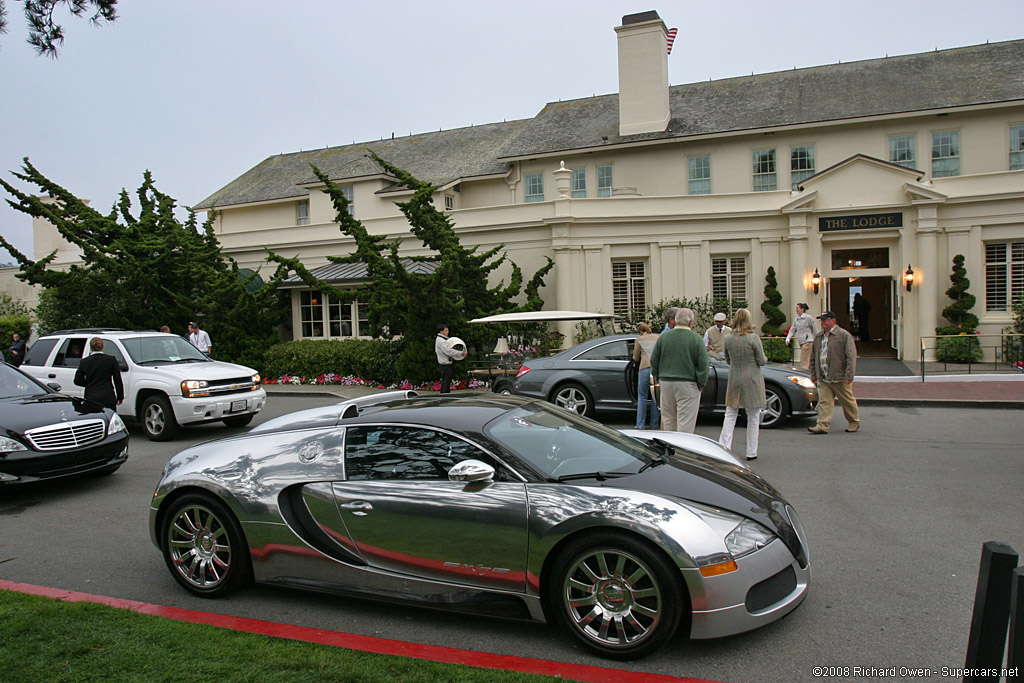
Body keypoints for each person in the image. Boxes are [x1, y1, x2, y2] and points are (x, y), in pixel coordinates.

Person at [718, 308, 767, 460]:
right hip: (752, 379)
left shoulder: (728, 339)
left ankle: (724, 447)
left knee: (730, 413)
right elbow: (762, 360)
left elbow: (727, 360)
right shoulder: (753, 338)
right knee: (753, 416)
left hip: (735, 378)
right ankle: (751, 451)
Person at [650, 307, 709, 433]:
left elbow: (654, 360)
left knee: (668, 420)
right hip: (688, 383)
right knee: (685, 422)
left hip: (666, 381)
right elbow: (703, 364)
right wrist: (701, 383)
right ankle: (682, 450)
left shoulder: (664, 337)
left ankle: (669, 448)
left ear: (675, 321)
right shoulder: (696, 338)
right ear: (691, 322)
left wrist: (658, 376)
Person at [807, 311, 860, 434]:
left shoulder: (843, 335)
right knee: (824, 402)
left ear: (833, 321)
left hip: (839, 376)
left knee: (847, 401)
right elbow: (814, 357)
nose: (823, 322)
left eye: (825, 320)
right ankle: (822, 425)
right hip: (823, 377)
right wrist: (814, 375)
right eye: (821, 320)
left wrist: (849, 374)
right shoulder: (819, 337)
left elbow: (851, 357)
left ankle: (853, 422)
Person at [73, 337, 124, 411]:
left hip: (91, 397)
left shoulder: (84, 362)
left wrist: (89, 383)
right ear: (103, 346)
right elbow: (117, 380)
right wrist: (120, 397)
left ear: (90, 347)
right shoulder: (111, 360)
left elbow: (77, 380)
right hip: (108, 396)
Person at [632, 323, 661, 430]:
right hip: (656, 369)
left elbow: (635, 357)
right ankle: (654, 424)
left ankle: (640, 425)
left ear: (640, 331)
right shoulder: (658, 338)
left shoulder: (639, 339)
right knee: (655, 397)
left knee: (642, 397)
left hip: (644, 368)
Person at [785, 303, 817, 370]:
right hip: (802, 342)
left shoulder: (808, 318)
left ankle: (804, 374)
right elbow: (792, 330)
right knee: (807, 360)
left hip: (808, 341)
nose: (796, 310)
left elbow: (814, 329)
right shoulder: (796, 320)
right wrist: (788, 339)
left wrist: (817, 339)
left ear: (802, 309)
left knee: (804, 361)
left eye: (797, 308)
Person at [435, 324, 466, 394]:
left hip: (445, 363)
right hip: (445, 363)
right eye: (445, 330)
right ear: (441, 331)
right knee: (446, 381)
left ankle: (444, 394)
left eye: (447, 330)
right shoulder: (441, 340)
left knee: (445, 380)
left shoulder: (442, 339)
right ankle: (445, 395)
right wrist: (460, 353)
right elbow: (448, 351)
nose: (447, 332)